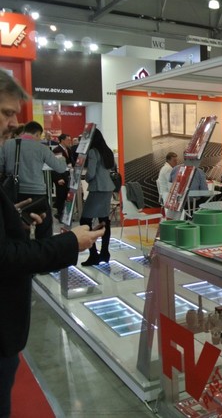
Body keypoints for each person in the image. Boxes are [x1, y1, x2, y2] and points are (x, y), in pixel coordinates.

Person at [0, 68, 104, 417]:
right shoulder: (37, 147)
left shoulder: (8, 147)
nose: (13, 123)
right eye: (6, 112)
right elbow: (7, 257)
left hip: (17, 196)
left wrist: (10, 220)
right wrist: (71, 243)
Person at [0, 120, 67, 239]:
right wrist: (62, 159)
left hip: (13, 193)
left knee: (19, 228)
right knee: (44, 229)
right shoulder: (41, 148)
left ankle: (22, 249)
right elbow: (60, 168)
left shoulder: (7, 144)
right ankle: (42, 249)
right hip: (37, 195)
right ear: (37, 134)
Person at [80, 128, 116, 266]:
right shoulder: (107, 151)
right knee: (104, 220)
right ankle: (105, 253)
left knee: (85, 220)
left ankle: (93, 254)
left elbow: (91, 174)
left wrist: (85, 178)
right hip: (107, 188)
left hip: (97, 189)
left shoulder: (93, 152)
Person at [51, 133, 73, 221]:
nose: (69, 141)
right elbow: (55, 165)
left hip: (68, 176)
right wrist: (58, 178)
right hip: (61, 177)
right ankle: (60, 215)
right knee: (61, 197)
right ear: (62, 140)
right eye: (68, 140)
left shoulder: (68, 149)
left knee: (68, 197)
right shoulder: (57, 150)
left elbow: (70, 161)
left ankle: (67, 215)